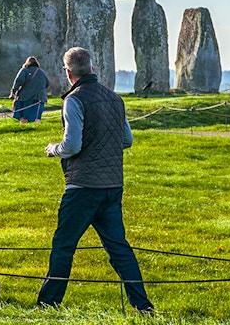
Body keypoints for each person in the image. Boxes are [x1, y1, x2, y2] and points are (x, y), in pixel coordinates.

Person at [37, 47, 154, 315]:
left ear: (68, 73)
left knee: (64, 246)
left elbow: (72, 144)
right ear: (92, 67)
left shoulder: (74, 100)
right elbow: (127, 140)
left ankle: (48, 304)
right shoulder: (114, 99)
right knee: (119, 249)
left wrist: (53, 149)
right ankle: (142, 305)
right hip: (112, 186)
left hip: (82, 186)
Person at [11, 56, 50, 123]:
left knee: (24, 118)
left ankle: (24, 131)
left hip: (26, 98)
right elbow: (47, 83)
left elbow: (19, 81)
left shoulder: (24, 70)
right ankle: (36, 130)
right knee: (37, 118)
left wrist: (13, 91)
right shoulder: (42, 72)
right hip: (39, 98)